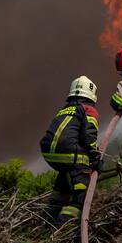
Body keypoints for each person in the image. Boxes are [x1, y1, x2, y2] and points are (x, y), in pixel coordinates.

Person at [39, 75, 101, 224]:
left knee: (67, 173)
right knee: (82, 191)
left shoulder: (64, 110)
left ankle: (51, 214)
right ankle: (65, 223)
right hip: (67, 152)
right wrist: (95, 157)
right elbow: (89, 137)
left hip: (49, 154)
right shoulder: (89, 110)